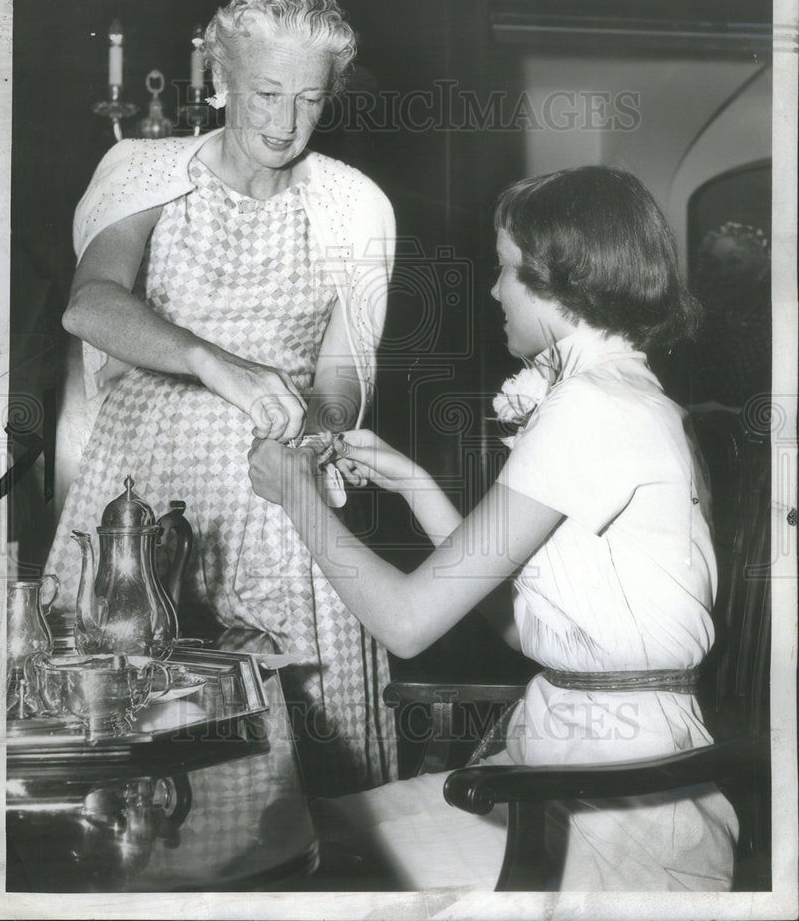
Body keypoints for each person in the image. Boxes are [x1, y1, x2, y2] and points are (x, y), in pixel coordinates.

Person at [248, 166, 740, 890]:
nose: (493, 291)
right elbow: (525, 626)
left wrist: (299, 499)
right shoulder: (613, 392)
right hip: (574, 764)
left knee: (293, 858)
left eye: (508, 270)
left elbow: (408, 625)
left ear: (562, 281)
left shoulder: (592, 409)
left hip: (618, 809)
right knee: (303, 837)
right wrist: (417, 485)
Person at [46, 0, 396, 797]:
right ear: (220, 79)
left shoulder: (354, 206)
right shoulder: (143, 171)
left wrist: (319, 425)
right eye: (267, 92)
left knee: (298, 771)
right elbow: (90, 304)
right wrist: (214, 362)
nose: (285, 120)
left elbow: (345, 374)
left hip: (281, 509)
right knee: (137, 753)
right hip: (146, 501)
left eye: (310, 98)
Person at [689, 221, 771, 407]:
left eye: (734, 261)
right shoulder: (706, 324)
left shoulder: (774, 325)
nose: (723, 273)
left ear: (760, 268)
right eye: (714, 265)